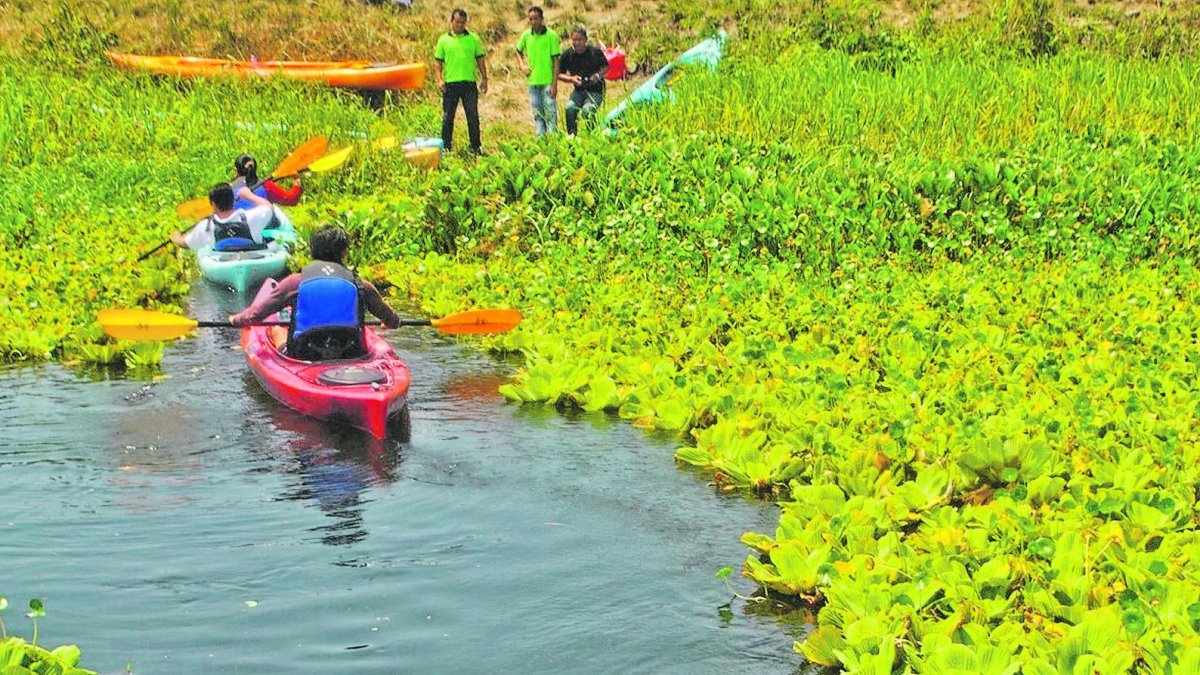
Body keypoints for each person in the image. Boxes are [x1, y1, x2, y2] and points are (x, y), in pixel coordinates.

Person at [229, 224, 402, 361]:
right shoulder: (362, 285)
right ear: (344, 252)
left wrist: (236, 319)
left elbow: (255, 315)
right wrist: (389, 322)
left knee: (277, 328)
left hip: (305, 353)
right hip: (350, 352)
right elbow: (392, 320)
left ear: (311, 250)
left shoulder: (294, 282)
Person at [433, 8, 488, 154]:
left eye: (463, 23)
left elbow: (480, 59)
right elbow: (438, 63)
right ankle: (446, 147)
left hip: (469, 83)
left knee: (472, 116)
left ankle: (476, 147)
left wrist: (484, 78)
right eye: (457, 22)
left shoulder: (473, 39)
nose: (460, 25)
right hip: (451, 84)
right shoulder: (443, 40)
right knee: (448, 117)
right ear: (451, 21)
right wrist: (439, 80)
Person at [170, 183, 281, 252]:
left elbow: (185, 243)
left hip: (224, 262)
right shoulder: (252, 217)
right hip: (254, 257)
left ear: (213, 204)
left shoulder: (206, 227)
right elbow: (268, 207)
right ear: (233, 200)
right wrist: (249, 195)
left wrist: (176, 237)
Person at [515, 6, 560, 136]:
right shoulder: (526, 35)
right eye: (530, 19)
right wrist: (522, 65)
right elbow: (518, 51)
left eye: (536, 18)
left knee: (551, 114)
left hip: (548, 81)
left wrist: (554, 84)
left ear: (542, 19)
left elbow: (556, 61)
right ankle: (541, 140)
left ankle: (554, 140)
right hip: (533, 82)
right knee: (538, 114)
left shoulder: (551, 36)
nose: (533, 22)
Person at [557, 27, 610, 135]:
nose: (577, 43)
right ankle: (572, 137)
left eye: (579, 40)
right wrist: (571, 79)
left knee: (588, 110)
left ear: (585, 39)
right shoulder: (568, 54)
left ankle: (592, 135)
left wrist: (597, 76)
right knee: (570, 108)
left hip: (596, 90)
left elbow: (607, 67)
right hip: (579, 90)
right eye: (574, 40)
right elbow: (558, 74)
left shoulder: (594, 52)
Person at [231, 154, 302, 210]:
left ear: (236, 170)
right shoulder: (267, 185)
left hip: (240, 223)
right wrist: (297, 180)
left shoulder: (228, 188)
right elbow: (291, 200)